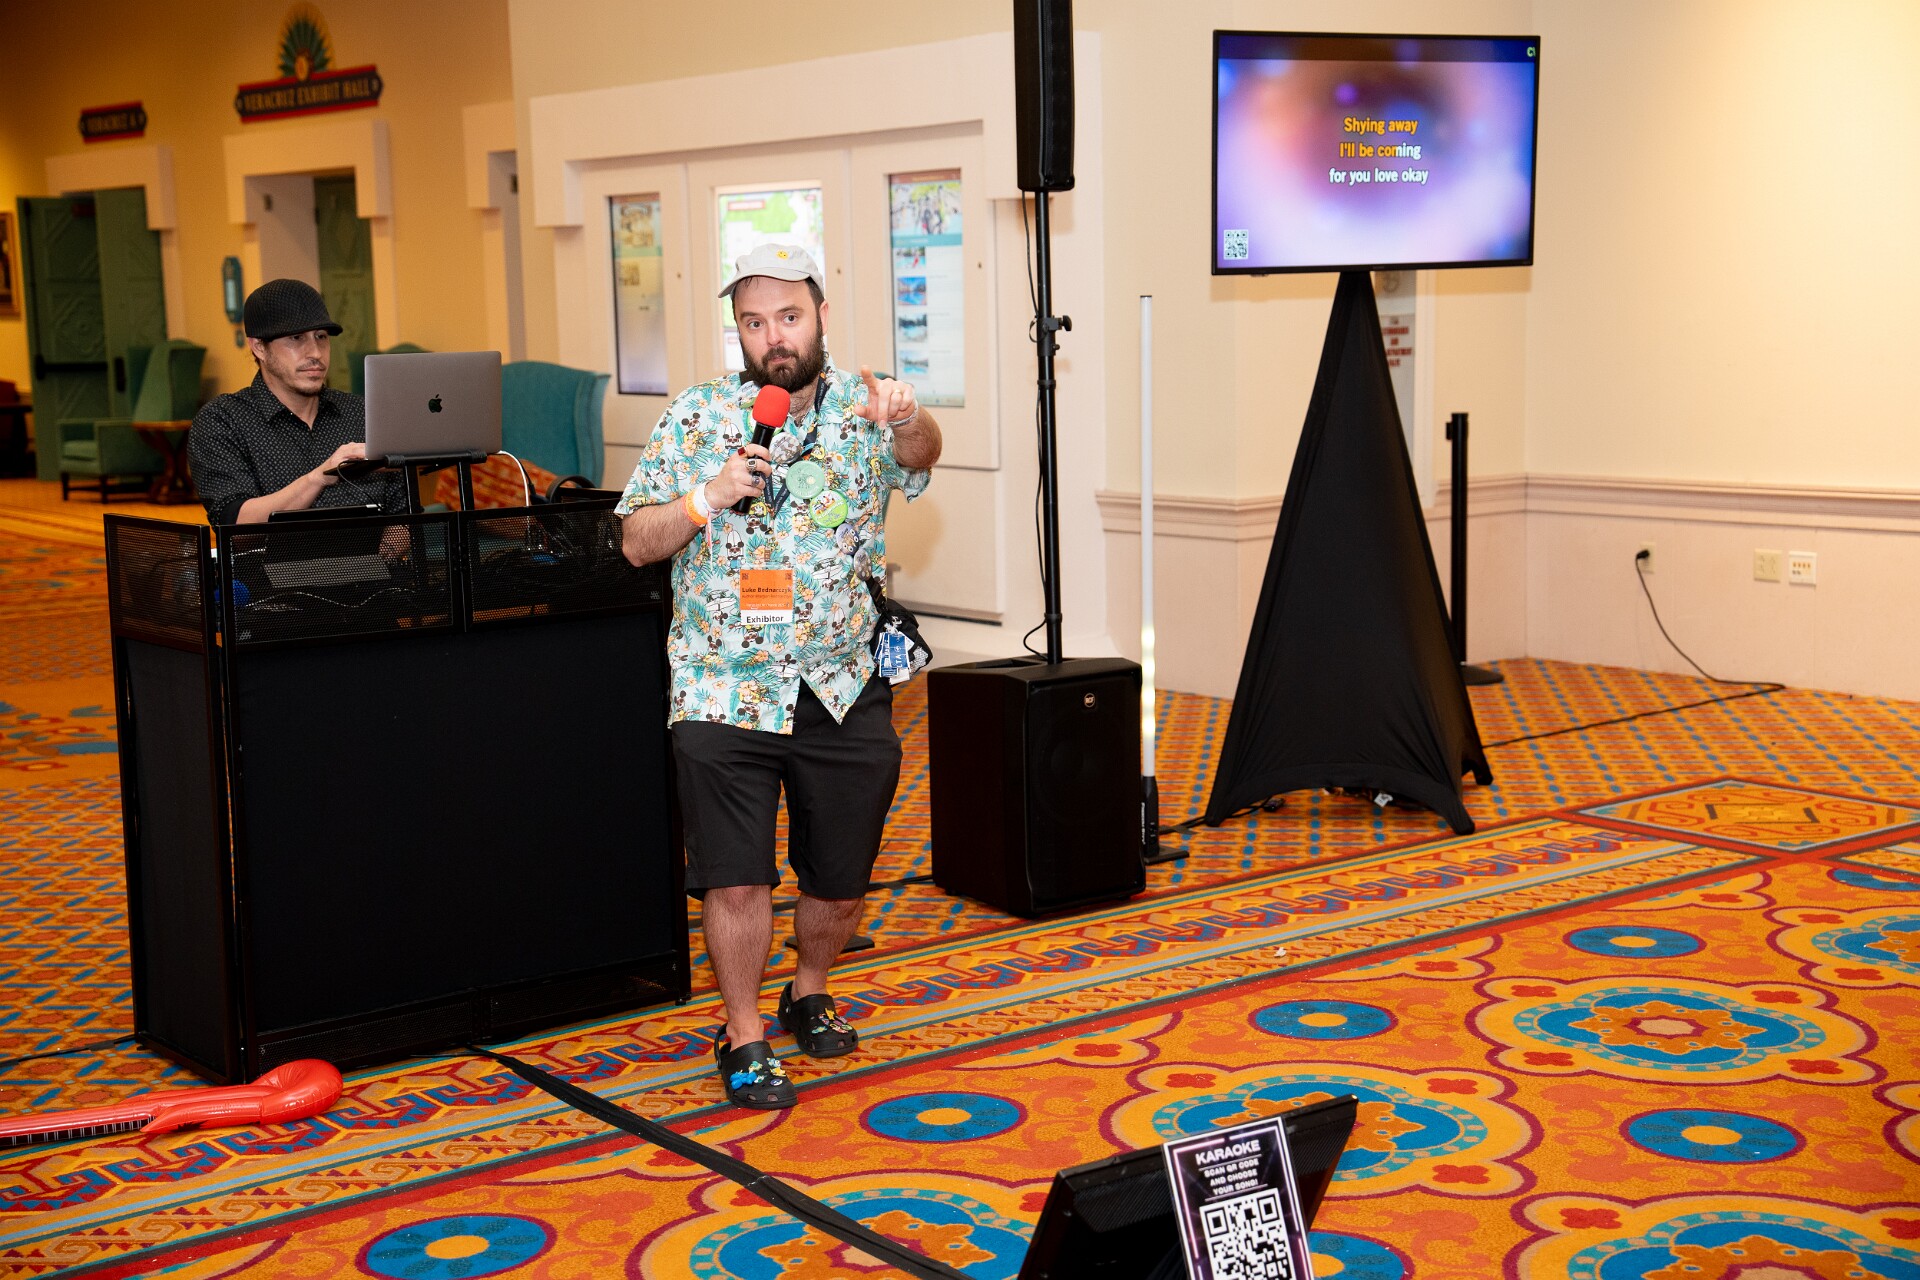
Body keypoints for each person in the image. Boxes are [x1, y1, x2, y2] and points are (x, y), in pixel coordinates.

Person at [617, 243, 942, 1110]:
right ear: (740, 331)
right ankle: (744, 1031)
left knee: (841, 875)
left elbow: (921, 456)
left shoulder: (866, 410)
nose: (775, 337)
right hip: (722, 686)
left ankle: (809, 989)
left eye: (789, 317)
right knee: (737, 877)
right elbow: (635, 542)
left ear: (821, 316)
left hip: (840, 682)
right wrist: (705, 498)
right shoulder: (696, 417)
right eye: (755, 322)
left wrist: (908, 415)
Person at [189, 278, 407, 526]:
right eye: (296, 338)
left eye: (321, 337)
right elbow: (236, 527)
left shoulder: (363, 414)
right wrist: (320, 477)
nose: (315, 353)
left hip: (370, 553)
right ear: (259, 347)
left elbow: (403, 516)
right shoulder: (222, 421)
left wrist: (385, 549)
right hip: (273, 554)